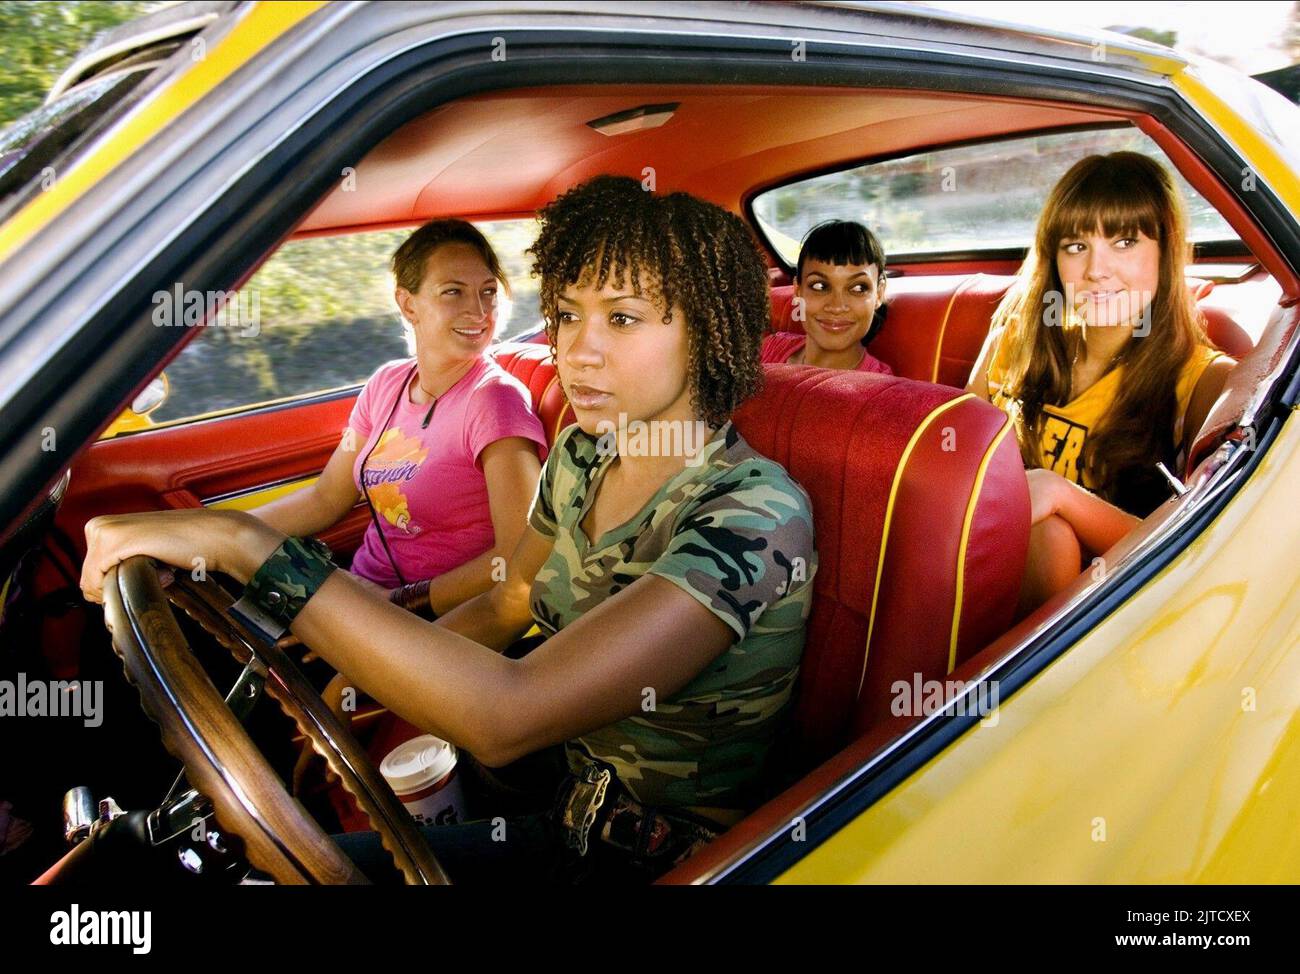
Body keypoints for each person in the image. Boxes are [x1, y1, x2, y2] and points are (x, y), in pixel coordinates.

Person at [80, 174, 819, 885]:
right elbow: (509, 599)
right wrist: (352, 686)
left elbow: (510, 714)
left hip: (667, 856)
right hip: (560, 797)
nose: (576, 351)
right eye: (565, 315)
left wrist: (243, 546)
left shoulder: (754, 514)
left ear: (707, 333)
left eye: (621, 318)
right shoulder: (585, 452)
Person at [246, 220, 549, 789]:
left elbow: (518, 559)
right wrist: (212, 533)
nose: (478, 310)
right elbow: (326, 498)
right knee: (227, 640)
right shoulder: (386, 385)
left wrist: (397, 603)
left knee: (270, 720)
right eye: (452, 291)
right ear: (407, 304)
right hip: (354, 591)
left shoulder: (496, 403)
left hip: (422, 615)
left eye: (489, 291)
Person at [965, 152, 1235, 615]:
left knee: (1052, 539)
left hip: (1103, 619)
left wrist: (1057, 495)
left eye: (1125, 241)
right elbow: (957, 464)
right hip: (976, 566)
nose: (1096, 270)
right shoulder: (1013, 339)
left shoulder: (1206, 381)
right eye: (1075, 246)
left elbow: (1205, 548)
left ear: (1166, 250)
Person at [761, 219, 894, 374]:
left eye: (858, 288)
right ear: (798, 290)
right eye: (820, 286)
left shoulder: (883, 389)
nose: (837, 306)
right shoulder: (771, 348)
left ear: (879, 294)